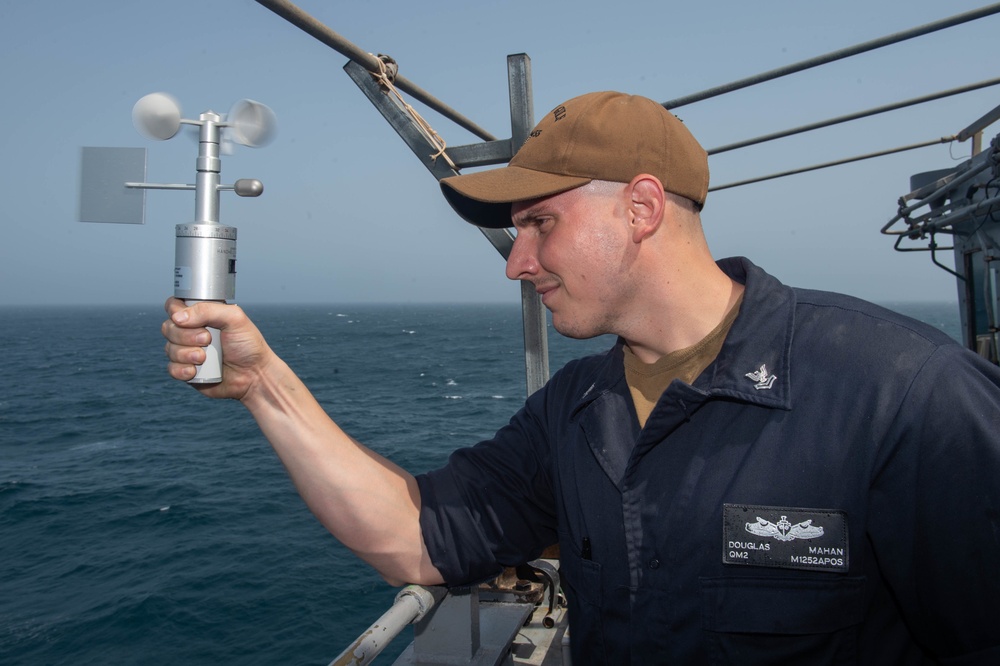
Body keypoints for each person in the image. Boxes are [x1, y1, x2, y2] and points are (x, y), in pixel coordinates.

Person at [163, 91, 1000, 664]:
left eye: (540, 224)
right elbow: (412, 539)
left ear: (640, 209)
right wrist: (264, 382)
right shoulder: (575, 410)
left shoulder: (905, 394)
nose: (516, 263)